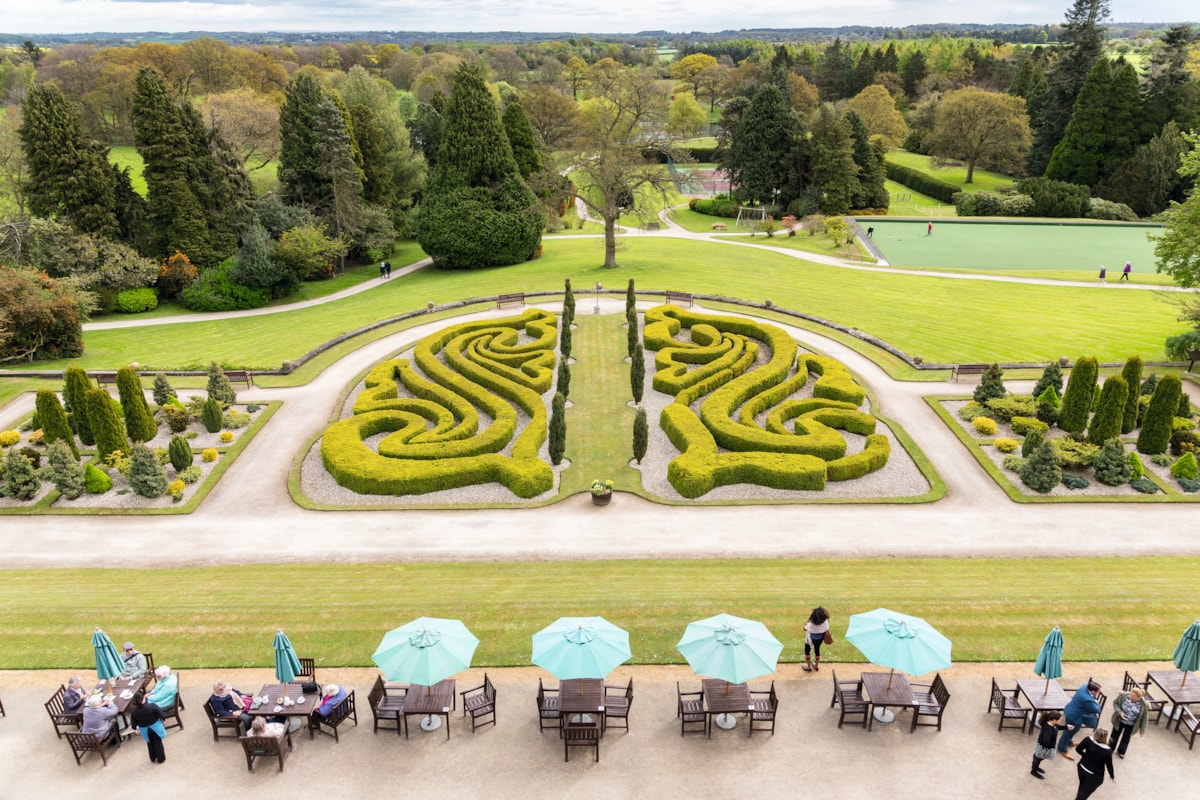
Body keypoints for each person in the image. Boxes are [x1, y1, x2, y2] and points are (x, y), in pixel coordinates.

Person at [1059, 680, 1103, 759]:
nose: (1099, 693)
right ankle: (1062, 748)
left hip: (1072, 711)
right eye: (1098, 692)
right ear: (1093, 691)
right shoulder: (1087, 699)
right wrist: (1096, 702)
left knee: (1075, 730)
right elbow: (1097, 710)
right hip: (1074, 716)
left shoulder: (1085, 686)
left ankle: (1069, 742)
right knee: (1068, 732)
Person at [1108, 686, 1149, 759]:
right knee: (1114, 735)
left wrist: (1142, 730)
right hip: (1119, 721)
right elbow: (1115, 703)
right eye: (1130, 694)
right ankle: (1110, 749)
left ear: (1138, 698)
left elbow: (1144, 718)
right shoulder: (1123, 696)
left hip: (1131, 724)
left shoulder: (1144, 705)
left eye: (1133, 696)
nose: (1130, 696)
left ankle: (1121, 752)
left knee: (1126, 738)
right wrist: (1119, 712)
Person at [1075, 728, 1116, 799]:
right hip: (1094, 775)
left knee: (1082, 784)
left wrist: (1084, 755)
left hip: (1082, 767)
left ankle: (1080, 795)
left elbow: (1078, 749)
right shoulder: (1107, 751)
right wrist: (1112, 776)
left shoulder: (1088, 739)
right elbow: (1109, 765)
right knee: (1086, 791)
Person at [1031, 710, 1072, 779]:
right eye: (1059, 720)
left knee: (1039, 758)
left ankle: (1035, 767)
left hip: (1046, 747)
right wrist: (1051, 747)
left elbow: (1058, 727)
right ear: (1054, 720)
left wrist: (1066, 727)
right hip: (1043, 748)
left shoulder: (1053, 724)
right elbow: (1046, 741)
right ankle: (1034, 771)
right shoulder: (1048, 729)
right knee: (1038, 758)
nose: (1060, 721)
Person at [129, 690, 167, 763]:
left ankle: (153, 757)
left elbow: (134, 724)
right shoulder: (152, 706)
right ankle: (161, 758)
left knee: (150, 743)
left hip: (145, 730)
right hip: (156, 727)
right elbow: (161, 714)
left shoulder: (134, 712)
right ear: (144, 697)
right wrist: (164, 719)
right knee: (158, 743)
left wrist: (136, 729)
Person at [802, 607, 831, 672]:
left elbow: (804, 628)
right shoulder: (825, 622)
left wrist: (808, 619)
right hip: (820, 639)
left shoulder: (811, 624)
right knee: (817, 650)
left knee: (807, 651)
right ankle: (816, 665)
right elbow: (827, 629)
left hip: (810, 639)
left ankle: (808, 666)